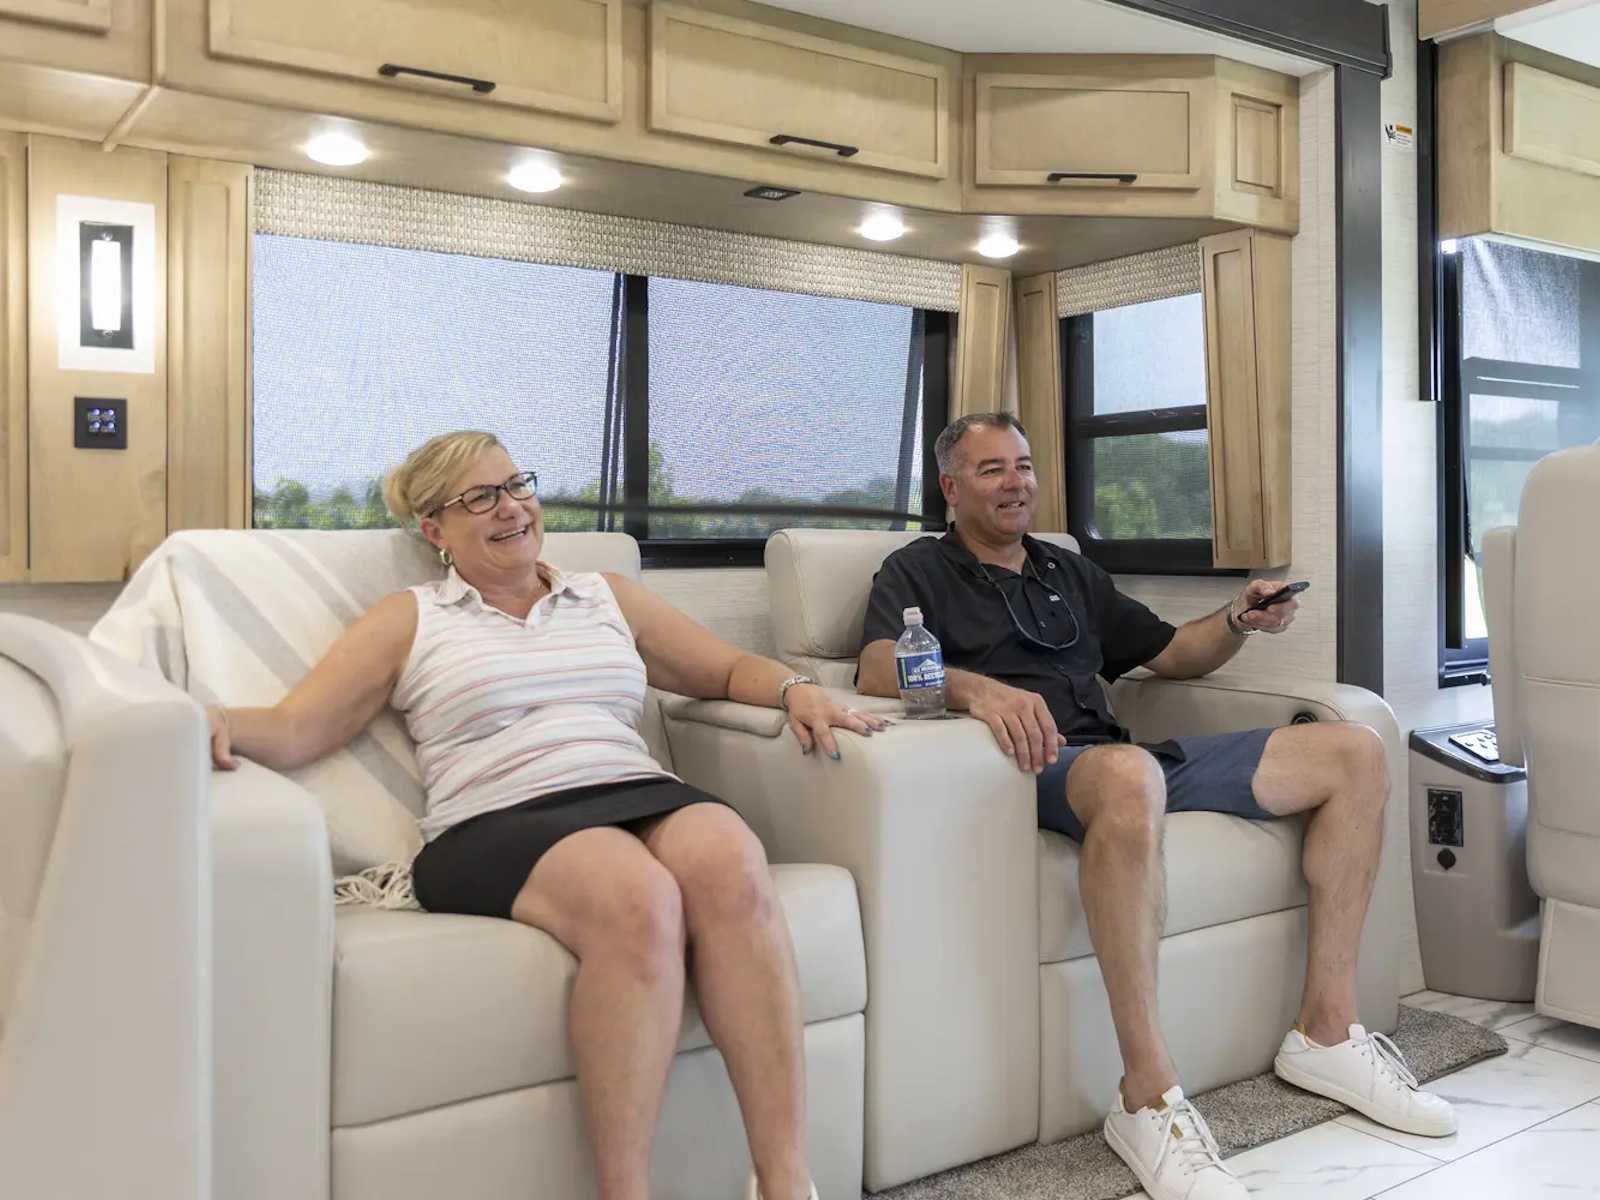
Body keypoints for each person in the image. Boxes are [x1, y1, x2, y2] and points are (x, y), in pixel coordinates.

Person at [204, 430, 885, 1200]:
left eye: (516, 485)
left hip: (630, 786)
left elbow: (724, 669)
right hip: (494, 817)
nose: (511, 507)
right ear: (434, 528)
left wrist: (796, 690)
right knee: (640, 900)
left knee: (733, 861)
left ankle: (785, 1180)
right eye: (479, 498)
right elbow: (299, 727)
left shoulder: (603, 596)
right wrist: (210, 719)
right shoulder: (412, 617)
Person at [856, 413, 1455, 1200]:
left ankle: (1327, 1033)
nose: (1015, 482)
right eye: (992, 468)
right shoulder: (918, 571)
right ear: (951, 486)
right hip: (1020, 771)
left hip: (1122, 760)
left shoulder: (1066, 571)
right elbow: (875, 666)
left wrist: (1239, 620)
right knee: (1129, 774)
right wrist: (977, 689)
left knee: (1355, 752)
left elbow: (1172, 652)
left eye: (1024, 465)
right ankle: (1145, 1096)